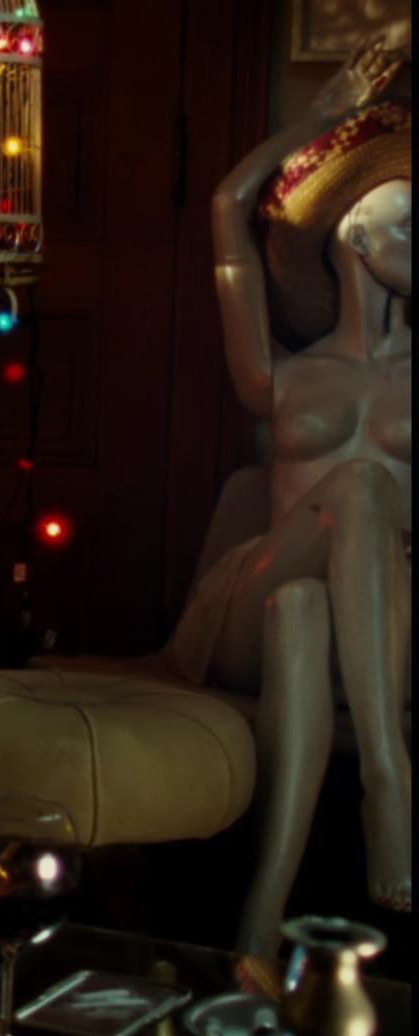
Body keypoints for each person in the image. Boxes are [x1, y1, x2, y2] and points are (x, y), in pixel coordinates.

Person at [166, 25, 410, 952]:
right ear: (351, 232)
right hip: (251, 595)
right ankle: (389, 776)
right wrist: (324, 121)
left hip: (375, 614)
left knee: (305, 609)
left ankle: (260, 924)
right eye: (409, 219)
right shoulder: (282, 372)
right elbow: (228, 205)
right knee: (355, 492)